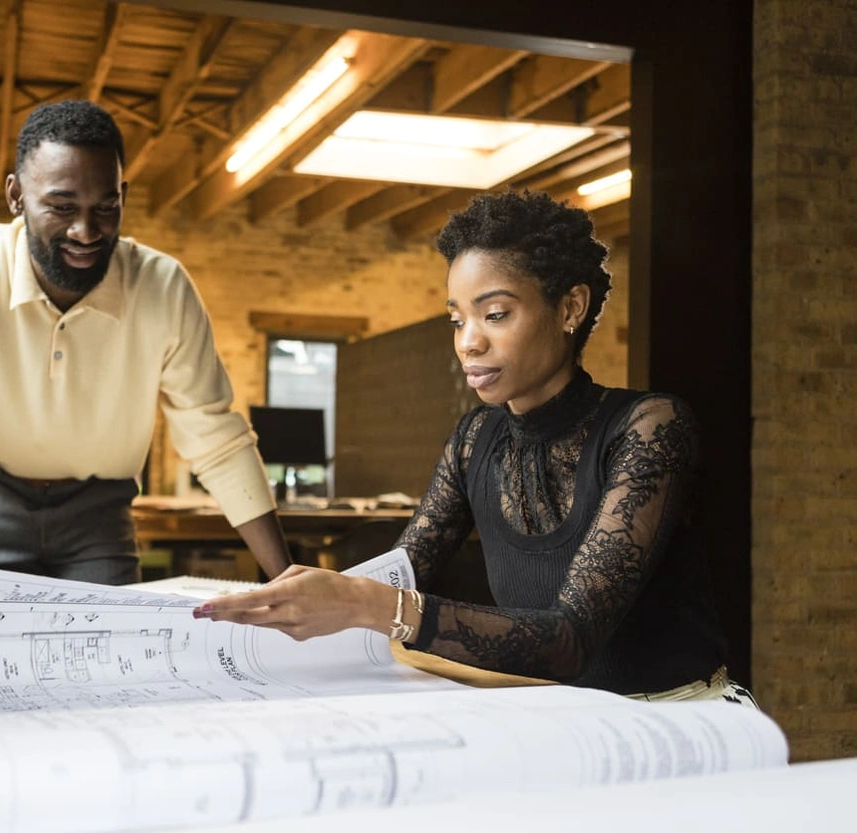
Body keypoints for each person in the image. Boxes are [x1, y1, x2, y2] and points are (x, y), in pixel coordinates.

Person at [196, 190, 754, 704]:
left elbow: (570, 639)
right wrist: (307, 604)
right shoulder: (473, 440)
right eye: (458, 319)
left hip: (677, 716)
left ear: (569, 308)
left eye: (495, 314)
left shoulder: (651, 426)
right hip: (551, 714)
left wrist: (368, 604)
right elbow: (399, 576)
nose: (469, 341)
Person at [0, 99, 291, 585]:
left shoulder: (163, 286)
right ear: (16, 195)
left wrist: (286, 575)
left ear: (123, 194)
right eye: (62, 207)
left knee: (107, 651)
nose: (86, 232)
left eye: (106, 207)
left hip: (98, 509)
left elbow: (216, 437)